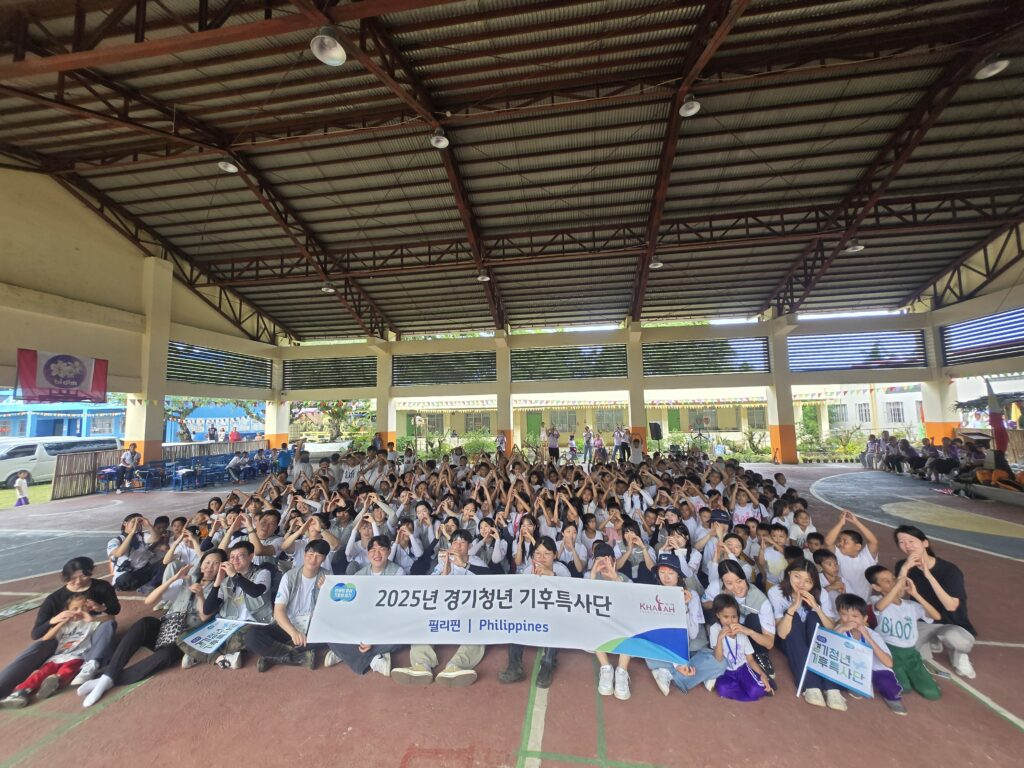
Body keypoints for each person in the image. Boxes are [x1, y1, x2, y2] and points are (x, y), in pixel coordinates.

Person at [79, 551, 224, 707]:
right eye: (207, 562)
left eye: (215, 563)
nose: (210, 567)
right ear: (201, 565)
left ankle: (107, 679)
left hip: (186, 638)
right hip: (167, 629)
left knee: (166, 656)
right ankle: (109, 676)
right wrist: (174, 579)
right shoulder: (187, 581)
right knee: (145, 623)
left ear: (221, 568)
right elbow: (150, 600)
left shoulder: (220, 589)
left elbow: (204, 617)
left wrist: (201, 595)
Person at [391, 530, 484, 686]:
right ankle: (422, 664)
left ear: (469, 546)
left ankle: (456, 666)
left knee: (481, 626)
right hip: (443, 608)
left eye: (462, 542)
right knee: (421, 620)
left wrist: (465, 565)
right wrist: (444, 574)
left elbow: (491, 579)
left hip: (469, 609)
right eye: (455, 542)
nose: (458, 546)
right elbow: (431, 586)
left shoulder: (477, 562)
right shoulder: (442, 562)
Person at [893, 525, 977, 679]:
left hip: (952, 622)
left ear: (925, 543)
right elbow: (897, 596)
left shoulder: (950, 570)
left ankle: (960, 655)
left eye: (911, 541)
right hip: (925, 620)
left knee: (956, 638)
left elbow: (951, 606)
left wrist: (928, 575)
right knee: (904, 645)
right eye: (902, 542)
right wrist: (904, 569)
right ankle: (932, 640)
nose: (907, 546)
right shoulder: (902, 566)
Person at [0, 592, 111, 708]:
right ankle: (20, 692)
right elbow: (45, 638)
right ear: (67, 610)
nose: (79, 611)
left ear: (89, 608)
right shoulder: (66, 625)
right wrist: (61, 622)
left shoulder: (92, 622)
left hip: (78, 656)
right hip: (58, 656)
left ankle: (56, 681)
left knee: (68, 669)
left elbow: (110, 620)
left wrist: (91, 618)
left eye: (83, 608)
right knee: (41, 673)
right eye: (75, 608)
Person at [645, 553, 725, 696]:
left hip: (691, 646)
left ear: (678, 575)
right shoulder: (653, 594)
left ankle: (669, 672)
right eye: (662, 572)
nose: (666, 577)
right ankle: (693, 673)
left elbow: (692, 634)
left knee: (721, 663)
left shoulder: (691, 595)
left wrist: (684, 608)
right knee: (648, 651)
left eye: (671, 573)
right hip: (666, 646)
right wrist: (678, 662)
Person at [245, 540, 331, 672]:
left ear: (324, 559)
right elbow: (278, 611)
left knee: (329, 635)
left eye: (318, 556)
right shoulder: (289, 576)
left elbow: (331, 612)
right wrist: (293, 632)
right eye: (310, 554)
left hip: (312, 628)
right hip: (288, 625)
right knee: (251, 636)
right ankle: (299, 657)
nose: (313, 559)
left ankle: (272, 656)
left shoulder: (328, 577)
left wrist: (325, 592)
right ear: (304, 554)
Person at [773, 560, 846, 710]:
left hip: (814, 640)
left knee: (814, 617)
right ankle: (810, 685)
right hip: (790, 640)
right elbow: (781, 634)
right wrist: (792, 609)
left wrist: (816, 607)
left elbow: (831, 628)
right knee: (794, 618)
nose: (801, 584)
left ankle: (831, 687)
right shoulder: (776, 592)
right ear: (789, 574)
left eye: (808, 581)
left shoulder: (821, 593)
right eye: (797, 577)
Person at [866, 564, 942, 701]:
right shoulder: (876, 601)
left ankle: (917, 676)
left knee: (932, 693)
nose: (893, 582)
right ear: (876, 587)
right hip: (890, 651)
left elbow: (936, 616)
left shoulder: (911, 606)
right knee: (903, 687)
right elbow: (881, 607)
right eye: (887, 581)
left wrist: (915, 594)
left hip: (911, 653)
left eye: (893, 579)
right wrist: (898, 584)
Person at [499, 536, 564, 689]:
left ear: (555, 555)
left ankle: (547, 665)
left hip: (554, 615)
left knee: (554, 623)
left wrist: (552, 576)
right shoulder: (528, 569)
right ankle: (514, 666)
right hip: (532, 613)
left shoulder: (561, 569)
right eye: (538, 554)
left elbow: (570, 594)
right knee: (516, 622)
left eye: (547, 554)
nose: (542, 558)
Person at [833, 594, 905, 715]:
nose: (849, 619)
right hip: (853, 668)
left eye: (855, 616)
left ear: (865, 619)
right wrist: (841, 629)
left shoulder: (873, 635)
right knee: (836, 674)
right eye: (844, 614)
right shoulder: (841, 629)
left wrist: (867, 637)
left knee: (886, 684)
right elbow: (830, 644)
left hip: (875, 668)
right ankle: (860, 686)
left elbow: (889, 663)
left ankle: (892, 698)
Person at [588, 542, 632, 699]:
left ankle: (622, 671)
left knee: (630, 626)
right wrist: (593, 575)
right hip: (601, 624)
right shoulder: (591, 577)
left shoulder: (624, 579)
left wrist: (615, 578)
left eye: (607, 560)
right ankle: (606, 668)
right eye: (599, 560)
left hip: (620, 625)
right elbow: (585, 601)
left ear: (614, 561)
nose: (603, 564)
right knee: (592, 622)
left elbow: (632, 602)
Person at [709, 594, 773, 701]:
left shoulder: (741, 630)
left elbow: (750, 659)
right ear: (718, 615)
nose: (730, 621)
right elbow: (718, 658)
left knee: (756, 690)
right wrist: (719, 639)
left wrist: (762, 674)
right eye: (726, 617)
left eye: (734, 617)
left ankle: (749, 684)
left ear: (738, 616)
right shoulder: (715, 629)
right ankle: (745, 686)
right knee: (722, 689)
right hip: (726, 670)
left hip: (743, 668)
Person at [824, 509, 879, 600]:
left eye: (845, 541)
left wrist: (856, 522)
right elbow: (828, 542)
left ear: (857, 546)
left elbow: (874, 541)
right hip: (844, 602)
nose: (840, 543)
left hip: (863, 602)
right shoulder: (838, 556)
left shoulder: (867, 557)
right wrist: (840, 523)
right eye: (840, 540)